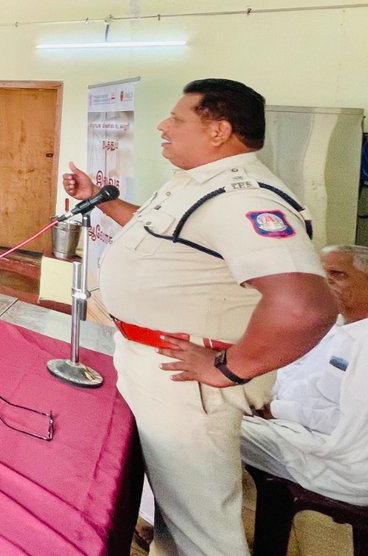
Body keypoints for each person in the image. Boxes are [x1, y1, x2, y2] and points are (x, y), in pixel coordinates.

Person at [60, 78, 337, 555]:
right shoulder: (196, 183)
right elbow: (157, 233)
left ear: (218, 130)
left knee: (202, 529)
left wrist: (227, 368)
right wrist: (101, 198)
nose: (163, 126)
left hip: (187, 381)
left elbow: (305, 306)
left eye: (177, 119)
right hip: (155, 362)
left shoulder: (244, 198)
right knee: (176, 513)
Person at [239, 244, 368, 505]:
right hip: (293, 429)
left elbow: (347, 424)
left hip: (338, 462)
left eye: (338, 274)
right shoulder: (333, 325)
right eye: (321, 274)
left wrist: (277, 410)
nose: (325, 282)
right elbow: (290, 376)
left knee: (206, 432)